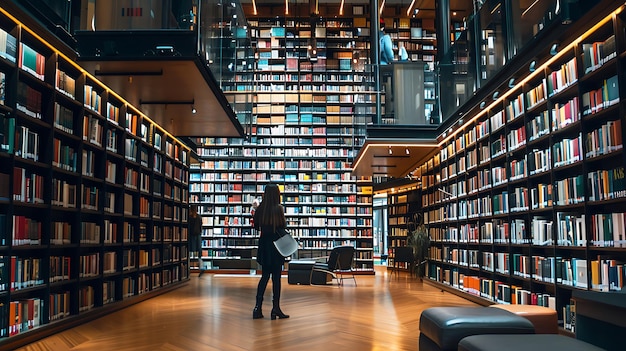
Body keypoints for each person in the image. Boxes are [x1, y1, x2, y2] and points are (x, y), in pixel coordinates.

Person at [253, 184, 289, 320]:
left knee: (264, 277)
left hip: (264, 245)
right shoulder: (278, 209)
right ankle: (276, 309)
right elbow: (283, 226)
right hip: (276, 246)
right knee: (276, 278)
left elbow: (256, 227)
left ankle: (257, 308)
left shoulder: (260, 209)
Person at [188, 205, 203, 276]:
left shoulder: (190, 218)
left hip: (192, 236)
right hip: (198, 236)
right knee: (199, 252)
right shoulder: (199, 217)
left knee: (190, 251)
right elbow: (200, 227)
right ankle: (201, 267)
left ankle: (188, 268)